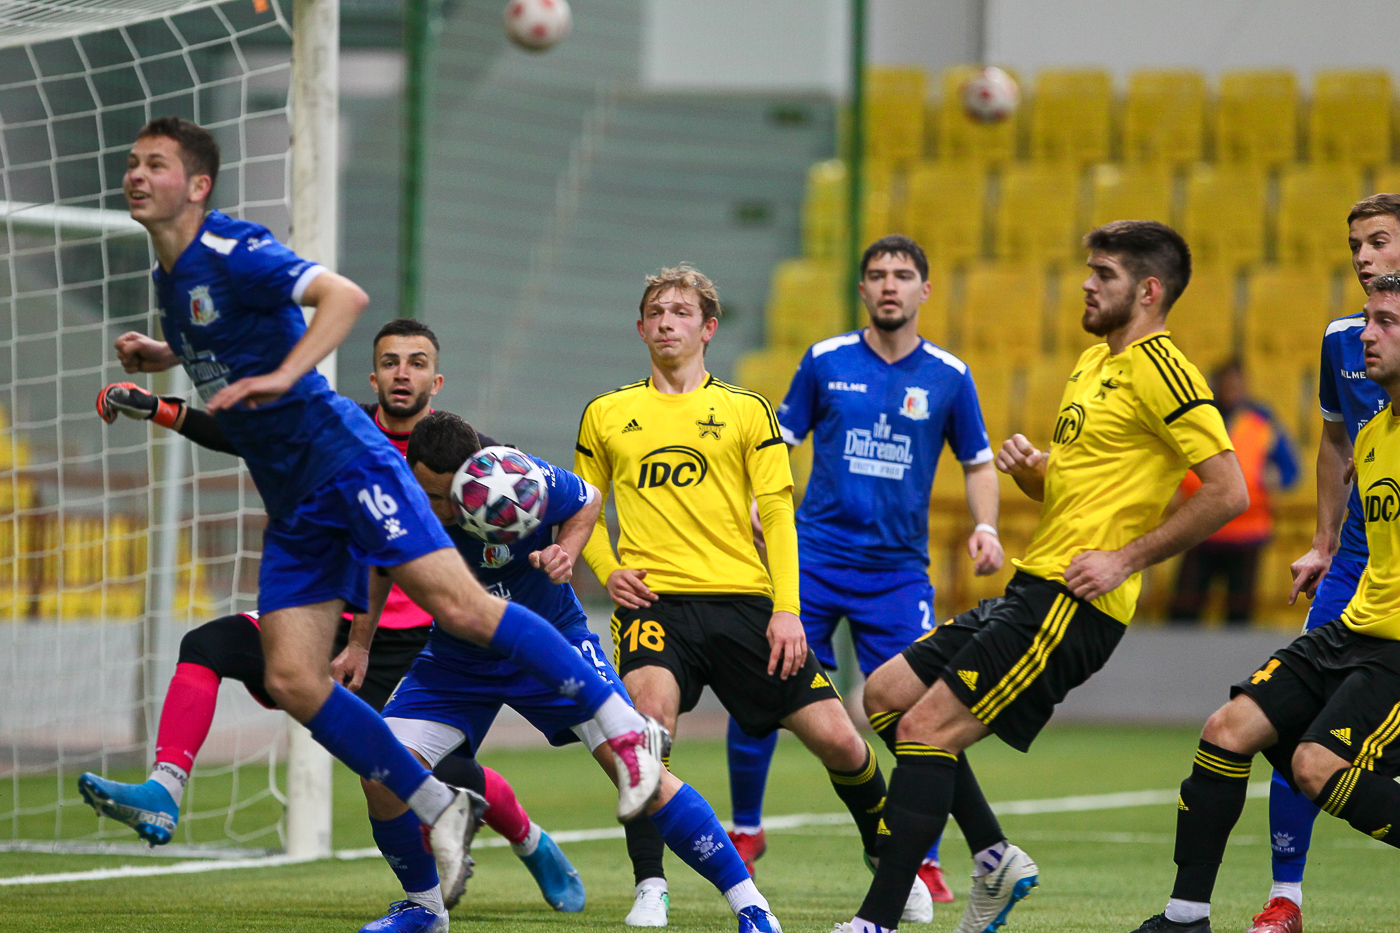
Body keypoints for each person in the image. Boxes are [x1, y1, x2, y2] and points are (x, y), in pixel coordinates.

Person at [106, 116, 663, 907]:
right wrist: (166, 356)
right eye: (133, 161)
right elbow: (218, 335)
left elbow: (343, 296)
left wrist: (286, 376)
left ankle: (623, 730)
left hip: (344, 466)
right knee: (292, 678)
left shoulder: (233, 246)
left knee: (463, 608)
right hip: (297, 502)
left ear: (197, 185)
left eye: (155, 164)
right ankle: (432, 805)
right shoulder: (173, 276)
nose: (136, 174)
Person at [80, 319, 585, 928]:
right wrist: (159, 408)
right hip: (324, 616)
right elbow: (248, 434)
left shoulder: (476, 460)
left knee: (443, 776)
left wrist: (556, 556)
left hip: (411, 644)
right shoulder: (341, 427)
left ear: (437, 381)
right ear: (373, 377)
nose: (403, 373)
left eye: (417, 362)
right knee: (208, 644)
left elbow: (552, 508)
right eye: (391, 362)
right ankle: (164, 789)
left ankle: (530, 840)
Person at [832, 220, 1247, 933]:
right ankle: (994, 856)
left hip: (1075, 603)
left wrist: (1124, 559)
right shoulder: (1092, 364)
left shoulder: (1165, 370)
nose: (1087, 284)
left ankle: (876, 920)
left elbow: (1228, 491)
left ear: (1149, 291)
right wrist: (1035, 473)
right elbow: (1079, 486)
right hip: (1034, 585)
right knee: (887, 696)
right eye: (1090, 270)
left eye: (1105, 274)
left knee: (926, 729)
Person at [575, 264, 930, 929]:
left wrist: (788, 609)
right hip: (655, 607)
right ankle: (650, 884)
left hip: (745, 603)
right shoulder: (606, 413)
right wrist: (608, 567)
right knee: (645, 735)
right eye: (656, 312)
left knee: (840, 740)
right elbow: (584, 512)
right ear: (640, 328)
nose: (667, 322)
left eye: (681, 312)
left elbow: (778, 514)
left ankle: (888, 860)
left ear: (708, 327)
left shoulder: (746, 410)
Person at [354, 410, 782, 933]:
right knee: (380, 771)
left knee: (642, 772)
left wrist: (566, 552)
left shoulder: (518, 477)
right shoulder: (397, 492)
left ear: (478, 470)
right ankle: (426, 909)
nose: (436, 508)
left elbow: (589, 500)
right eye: (427, 493)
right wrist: (358, 646)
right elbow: (381, 562)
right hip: (458, 657)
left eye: (446, 497)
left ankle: (752, 907)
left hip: (550, 643)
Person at [725, 235, 1002, 906]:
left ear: (924, 290)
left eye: (902, 275)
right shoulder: (824, 360)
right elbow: (779, 441)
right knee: (763, 681)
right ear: (862, 289)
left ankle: (924, 856)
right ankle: (746, 830)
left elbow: (978, 462)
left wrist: (987, 525)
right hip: (814, 560)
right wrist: (763, 501)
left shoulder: (949, 375)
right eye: (877, 274)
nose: (889, 285)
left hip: (898, 574)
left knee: (922, 709)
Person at [1129, 272, 1400, 933]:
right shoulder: (1371, 435)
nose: (1367, 335)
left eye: (1387, 322)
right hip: (1353, 627)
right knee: (1227, 730)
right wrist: (1323, 545)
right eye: (1368, 319)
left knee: (1314, 764)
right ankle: (1186, 917)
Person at [1241, 192, 1400, 933]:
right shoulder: (1346, 339)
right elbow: (1336, 444)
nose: (1364, 257)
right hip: (1358, 562)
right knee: (1291, 720)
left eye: (1379, 241)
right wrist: (1323, 541)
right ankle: (1286, 898)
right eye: (1356, 245)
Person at [1169, 360, 1299, 625]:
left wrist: (1272, 477)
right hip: (1198, 529)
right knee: (1184, 610)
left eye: (1236, 384)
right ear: (1215, 386)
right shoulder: (1198, 420)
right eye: (1226, 384)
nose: (1231, 390)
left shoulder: (1262, 423)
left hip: (1247, 534)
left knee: (1239, 616)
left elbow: (1290, 471)